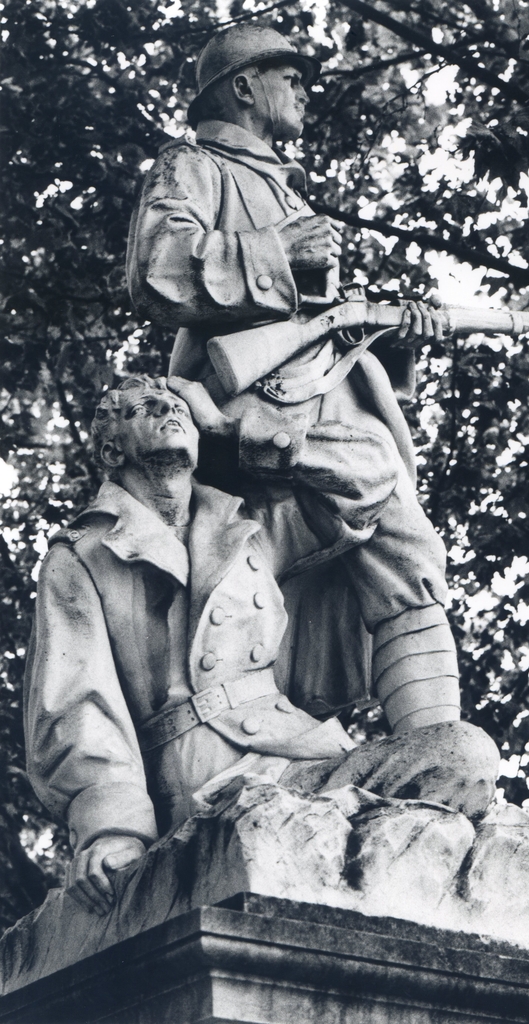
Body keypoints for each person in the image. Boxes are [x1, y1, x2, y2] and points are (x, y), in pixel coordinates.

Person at [24, 377, 499, 917]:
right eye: (145, 409)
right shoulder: (81, 555)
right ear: (112, 449)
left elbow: (372, 485)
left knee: (463, 752)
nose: (169, 412)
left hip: (307, 756)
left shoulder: (248, 526)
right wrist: (111, 828)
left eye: (179, 407)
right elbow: (78, 707)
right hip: (204, 781)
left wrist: (237, 428)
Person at [126, 23, 463, 728]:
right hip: (253, 419)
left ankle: (437, 753)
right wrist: (277, 249)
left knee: (405, 552)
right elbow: (158, 268)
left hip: (326, 416)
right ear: (244, 88)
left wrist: (394, 332)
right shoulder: (195, 165)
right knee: (258, 591)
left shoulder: (285, 191)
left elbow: (324, 333)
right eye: (290, 76)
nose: (306, 90)